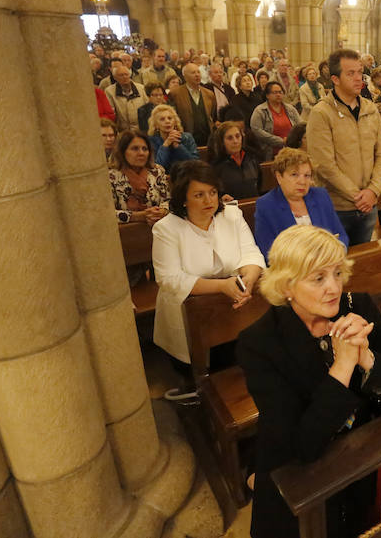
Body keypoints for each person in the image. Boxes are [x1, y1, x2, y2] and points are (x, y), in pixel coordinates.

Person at [237, 224, 381, 538]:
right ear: (286, 287)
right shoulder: (260, 343)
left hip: (355, 457)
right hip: (294, 474)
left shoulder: (358, 307)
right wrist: (343, 365)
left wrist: (366, 358)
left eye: (337, 273)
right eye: (318, 278)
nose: (334, 288)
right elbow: (303, 445)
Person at [152, 160, 264, 367]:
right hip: (190, 307)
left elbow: (250, 251)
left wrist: (249, 278)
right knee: (206, 367)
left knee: (242, 358)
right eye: (199, 195)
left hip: (233, 302)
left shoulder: (231, 215)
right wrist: (222, 286)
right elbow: (169, 279)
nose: (209, 200)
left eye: (212, 192)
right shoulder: (166, 229)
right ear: (183, 199)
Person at [307, 49, 381, 246]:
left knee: (362, 265)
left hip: (368, 205)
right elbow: (323, 164)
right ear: (335, 79)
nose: (358, 78)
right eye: (350, 73)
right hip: (337, 208)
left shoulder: (370, 109)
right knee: (336, 265)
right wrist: (357, 196)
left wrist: (372, 191)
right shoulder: (322, 112)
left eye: (360, 72)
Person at [254, 148, 347, 257]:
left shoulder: (321, 196)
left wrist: (335, 252)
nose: (302, 182)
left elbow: (341, 235)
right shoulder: (266, 205)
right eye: (294, 175)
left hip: (327, 262)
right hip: (292, 270)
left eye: (307, 175)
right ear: (279, 177)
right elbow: (268, 251)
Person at [109, 130, 170, 224]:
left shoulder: (157, 171)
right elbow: (107, 214)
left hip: (159, 227)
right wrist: (140, 216)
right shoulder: (111, 176)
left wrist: (162, 211)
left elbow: (168, 201)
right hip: (126, 233)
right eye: (135, 149)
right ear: (122, 152)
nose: (141, 153)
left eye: (145, 149)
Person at [250, 81, 304, 161]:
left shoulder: (290, 109)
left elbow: (300, 126)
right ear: (267, 95)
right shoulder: (260, 111)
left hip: (292, 151)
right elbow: (257, 130)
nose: (278, 95)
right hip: (270, 152)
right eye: (275, 92)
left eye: (280, 92)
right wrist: (281, 141)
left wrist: (293, 140)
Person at [210, 121, 264, 200]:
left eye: (238, 136)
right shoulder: (216, 166)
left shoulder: (251, 159)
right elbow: (214, 193)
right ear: (222, 142)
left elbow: (259, 184)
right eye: (230, 138)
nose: (235, 141)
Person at [171, 63, 216, 147]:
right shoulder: (176, 94)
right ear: (185, 76)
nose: (197, 75)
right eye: (193, 73)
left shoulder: (209, 94)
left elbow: (212, 115)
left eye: (198, 72)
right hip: (185, 139)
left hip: (207, 138)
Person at [147, 104, 200, 172]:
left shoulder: (187, 137)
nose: (167, 121)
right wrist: (166, 145)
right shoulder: (151, 141)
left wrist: (177, 146)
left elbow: (195, 165)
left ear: (175, 122)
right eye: (162, 119)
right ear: (156, 125)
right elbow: (156, 169)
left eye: (170, 118)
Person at [105, 64, 148, 131]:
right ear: (115, 77)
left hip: (141, 130)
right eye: (121, 75)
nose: (124, 77)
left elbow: (147, 108)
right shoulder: (109, 92)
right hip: (122, 131)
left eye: (126, 74)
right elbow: (111, 113)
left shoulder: (141, 88)